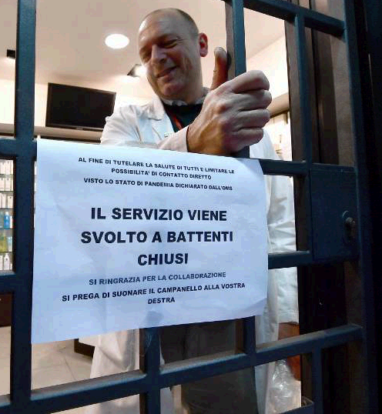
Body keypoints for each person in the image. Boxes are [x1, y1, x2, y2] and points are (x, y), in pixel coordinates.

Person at [85, 8, 299, 414]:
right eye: (145, 53)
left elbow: (278, 221)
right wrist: (195, 139)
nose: (156, 59)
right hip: (153, 308)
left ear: (201, 45)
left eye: (166, 43)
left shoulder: (250, 129)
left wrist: (288, 313)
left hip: (228, 309)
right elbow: (118, 190)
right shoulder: (125, 122)